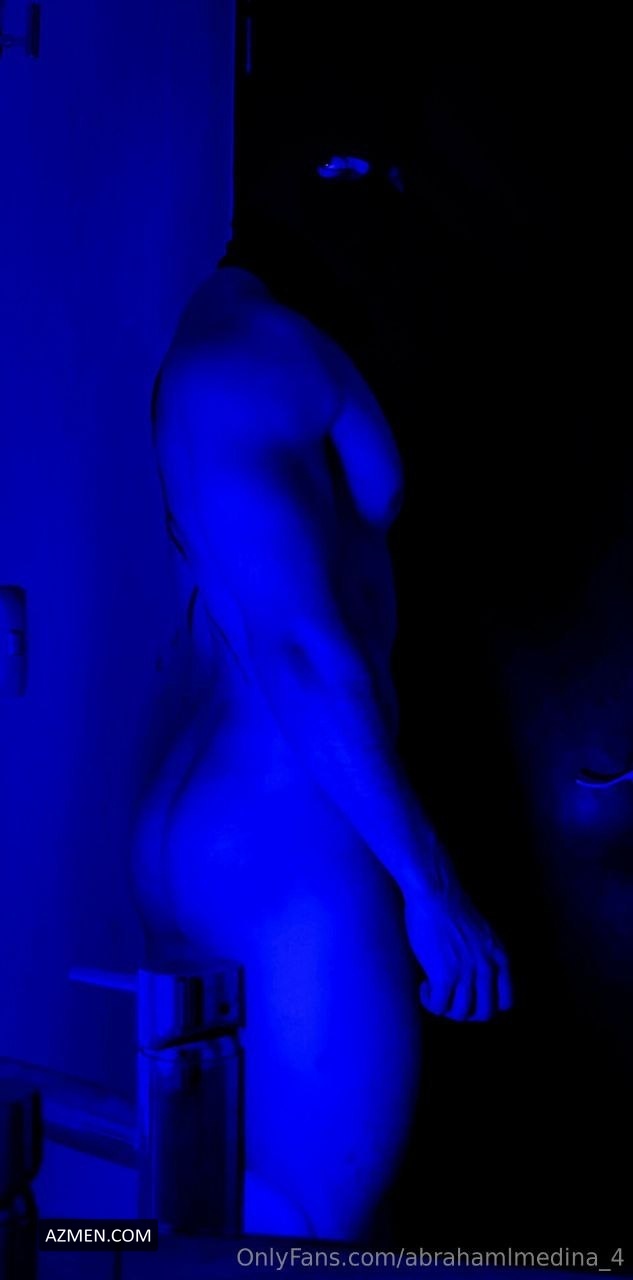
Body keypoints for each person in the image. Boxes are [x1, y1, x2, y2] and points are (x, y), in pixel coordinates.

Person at [131, 152, 512, 1241]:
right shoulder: (256, 360)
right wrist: (433, 892)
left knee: (216, 1233)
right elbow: (302, 648)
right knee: (305, 1232)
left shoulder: (199, 356)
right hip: (288, 842)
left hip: (217, 826)